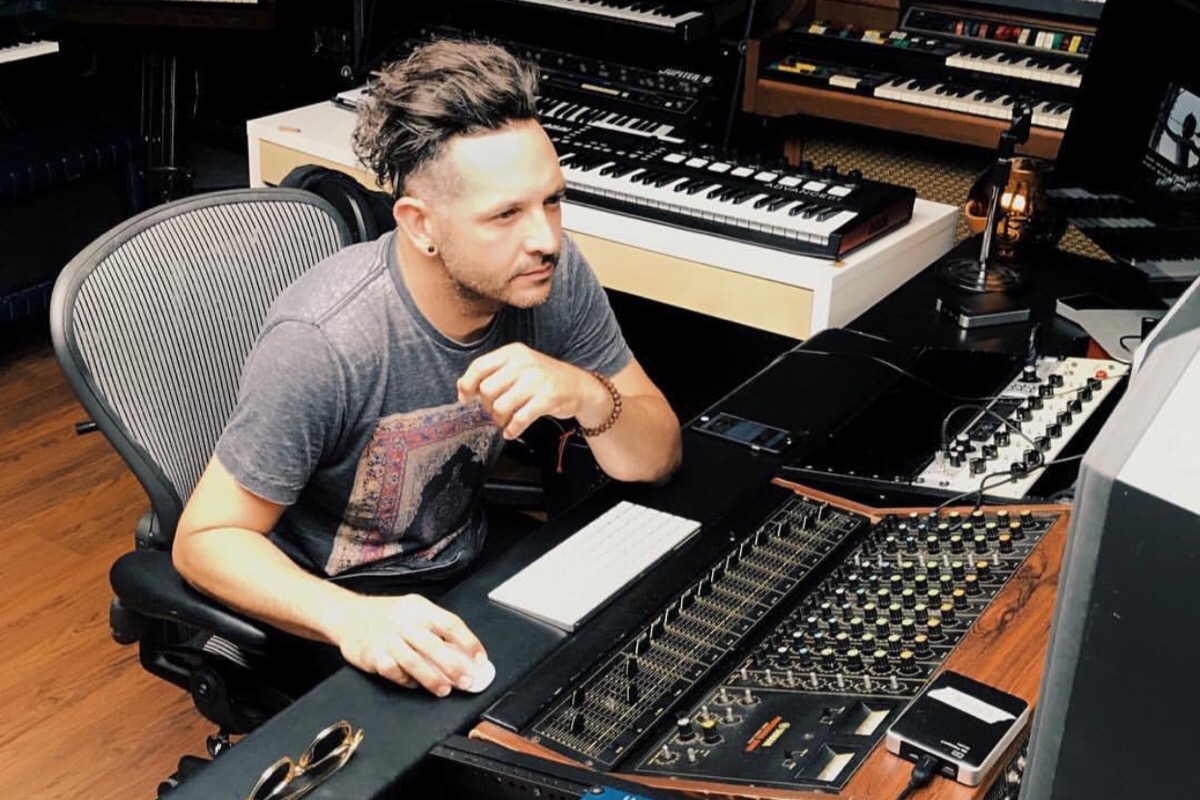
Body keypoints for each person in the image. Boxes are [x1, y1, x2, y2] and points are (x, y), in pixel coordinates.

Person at [171, 39, 682, 699]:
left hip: (459, 568)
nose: (547, 239)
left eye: (552, 201)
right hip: (331, 604)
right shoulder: (324, 342)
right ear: (420, 225)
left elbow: (658, 455)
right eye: (505, 214)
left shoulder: (552, 277)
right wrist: (350, 618)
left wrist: (589, 395)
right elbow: (205, 538)